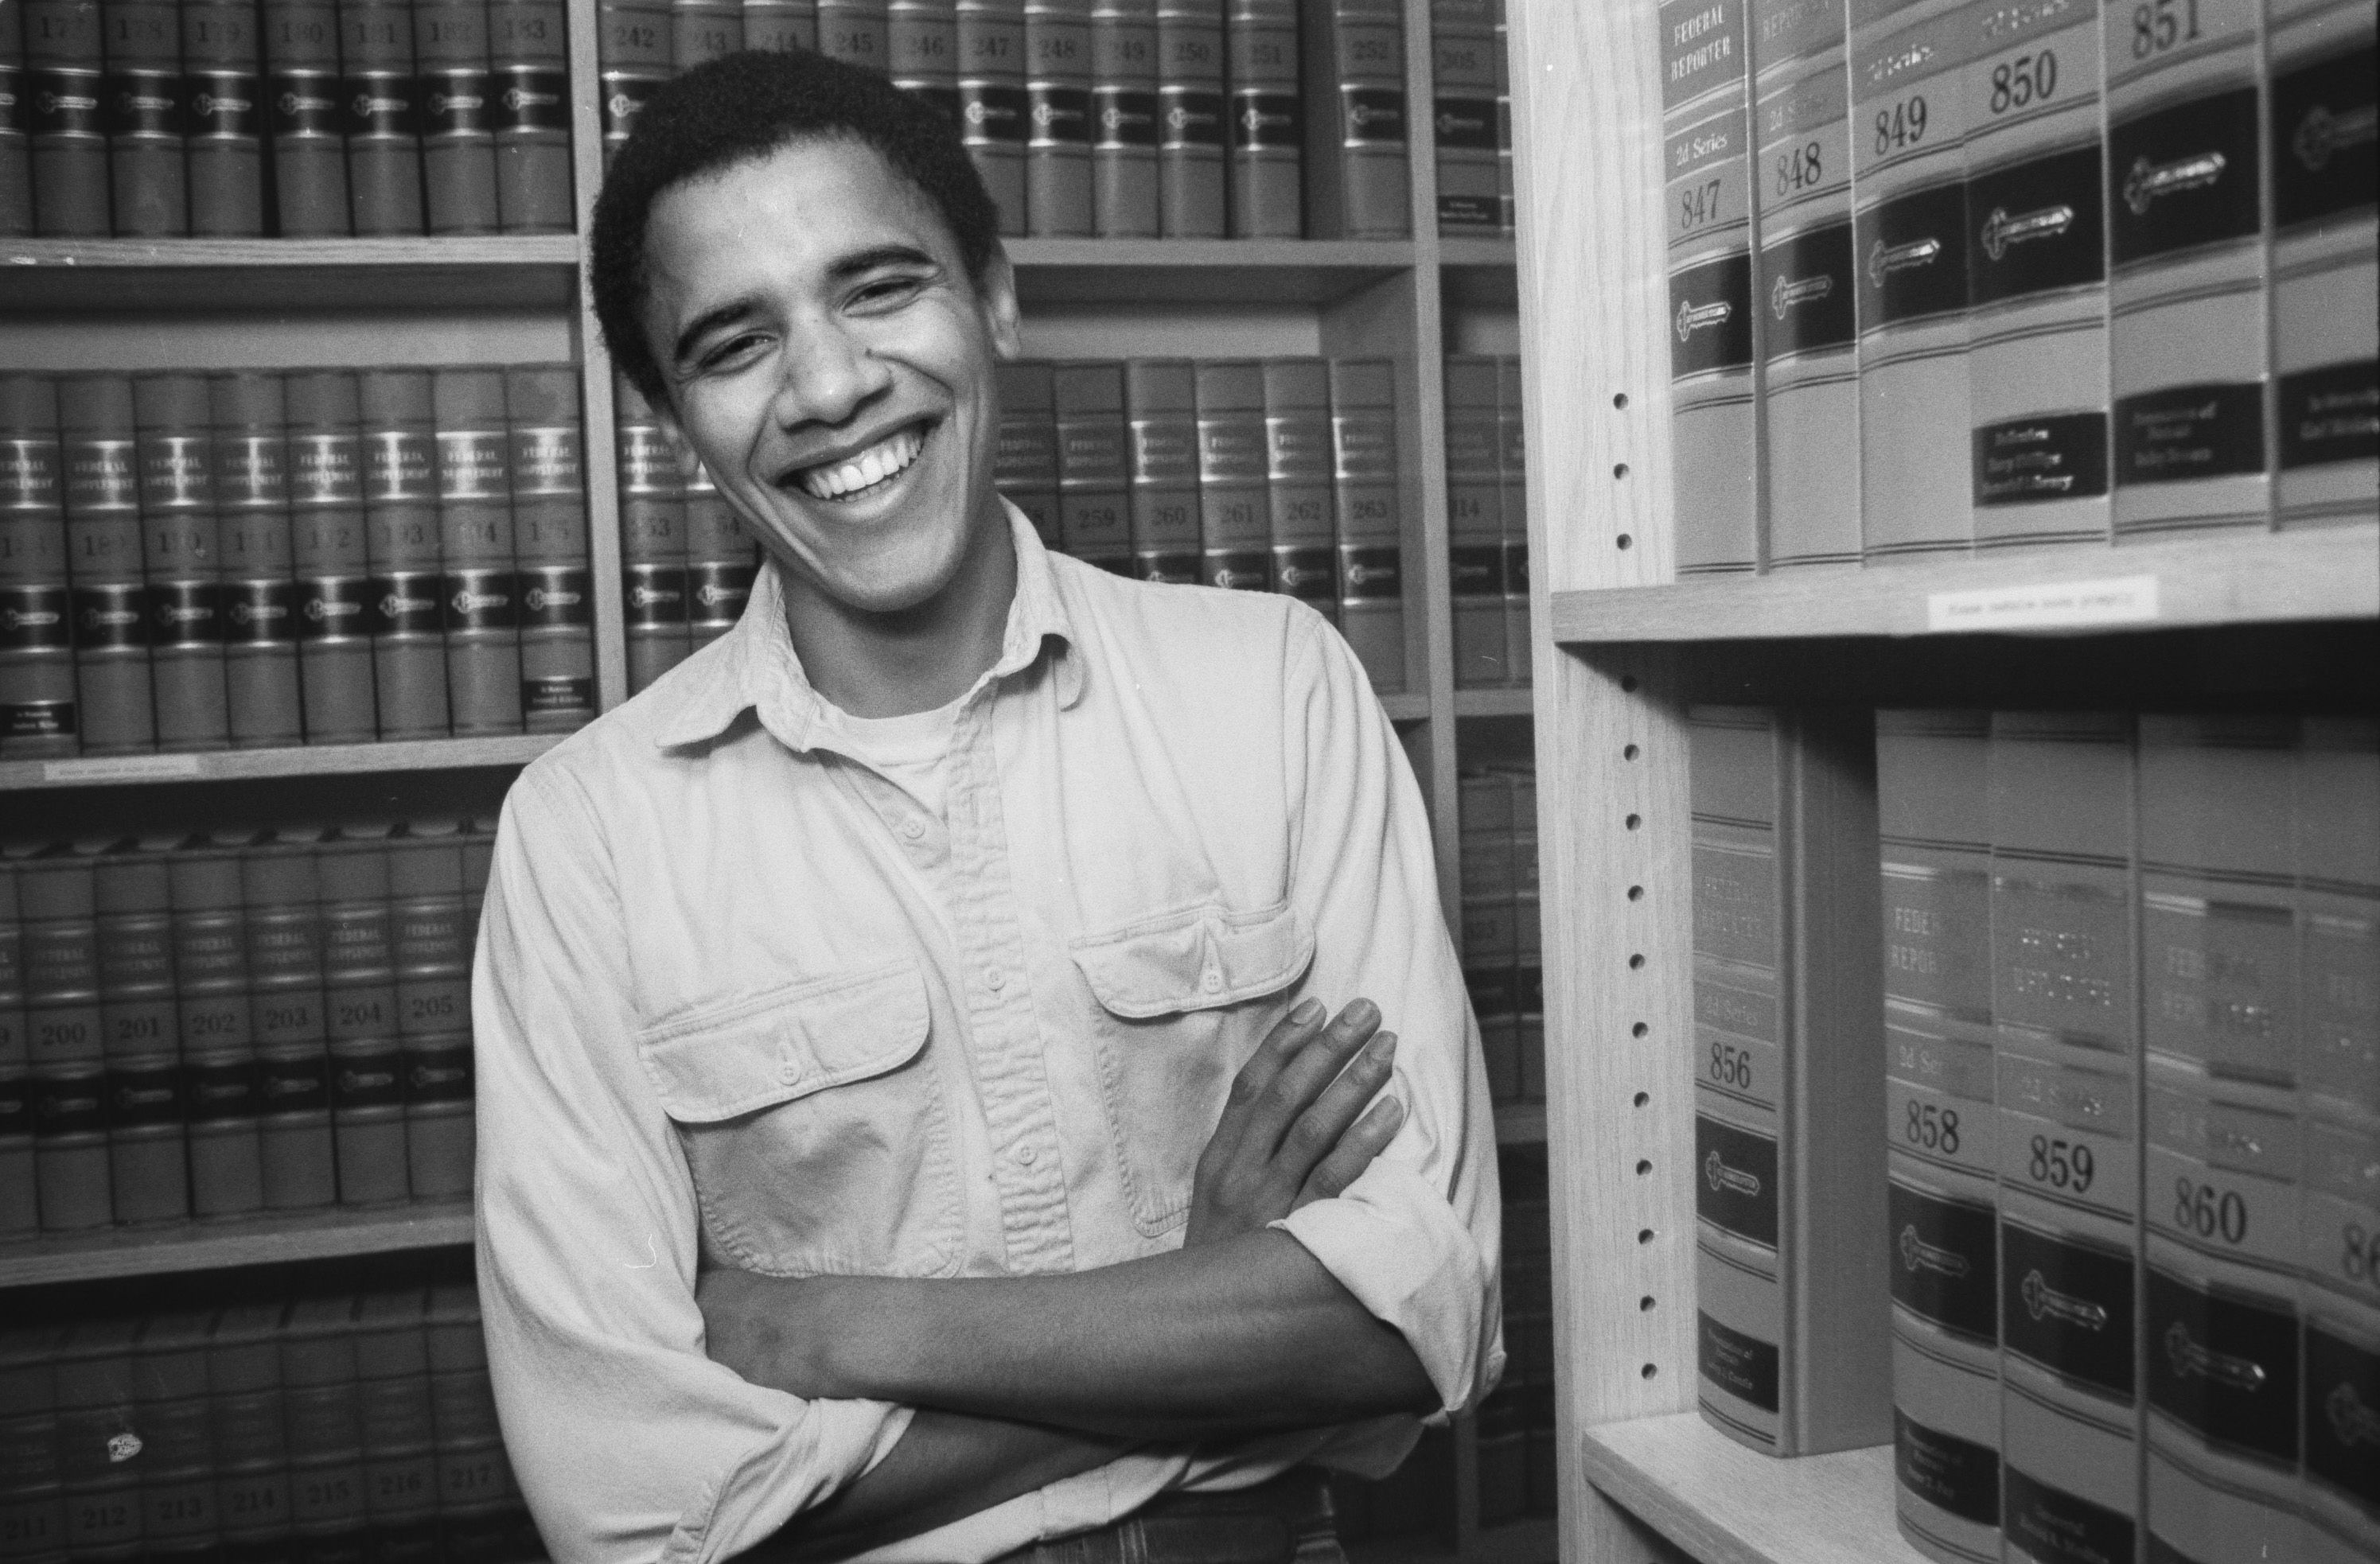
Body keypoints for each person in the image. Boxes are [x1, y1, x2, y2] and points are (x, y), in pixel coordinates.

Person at [471, 47, 1502, 1564]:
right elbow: (643, 1519)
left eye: (880, 287)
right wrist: (1204, 1303)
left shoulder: (1274, 685)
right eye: (735, 342)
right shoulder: (587, 835)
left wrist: (834, 1330)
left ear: (996, 298)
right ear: (670, 417)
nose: (830, 386)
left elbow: (1424, 1319)